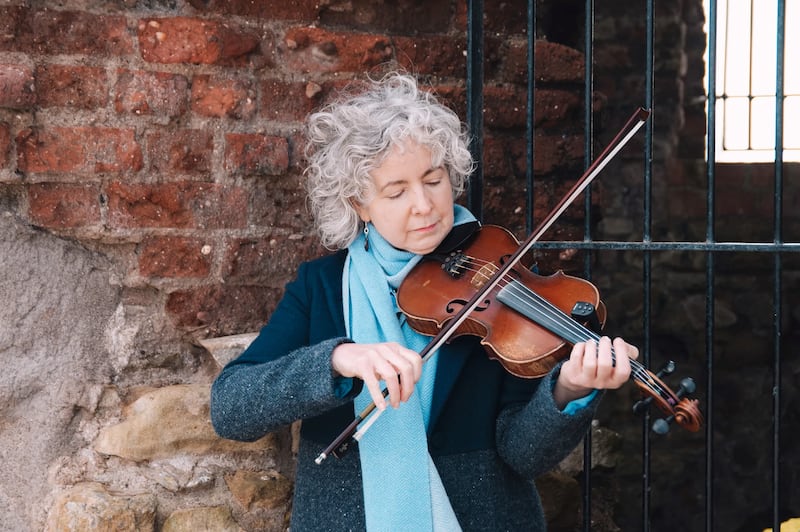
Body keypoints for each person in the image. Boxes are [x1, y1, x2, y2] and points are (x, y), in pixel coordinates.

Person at [210, 71, 638, 531]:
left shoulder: (497, 279)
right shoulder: (322, 286)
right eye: (396, 191)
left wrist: (566, 391)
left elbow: (523, 455)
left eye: (434, 180)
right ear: (358, 202)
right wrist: (337, 360)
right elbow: (231, 409)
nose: (425, 205)